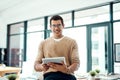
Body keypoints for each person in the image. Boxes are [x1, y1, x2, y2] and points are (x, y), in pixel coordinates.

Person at [34, 15, 80, 80]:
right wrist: (42, 67)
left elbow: (76, 63)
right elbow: (36, 65)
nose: (56, 28)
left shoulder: (72, 42)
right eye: (54, 25)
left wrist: (67, 69)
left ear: (63, 26)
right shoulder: (43, 43)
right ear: (50, 27)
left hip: (67, 75)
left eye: (59, 25)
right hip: (50, 76)